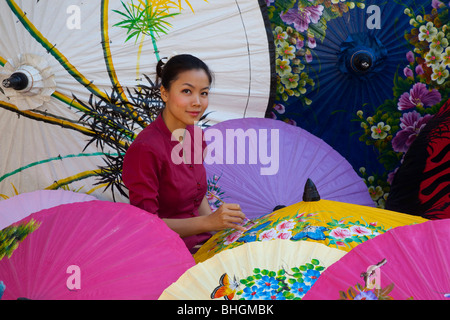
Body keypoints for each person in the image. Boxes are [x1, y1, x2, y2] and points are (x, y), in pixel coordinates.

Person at [122, 54, 246, 253]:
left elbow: (199, 196)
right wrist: (208, 223)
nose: (197, 102)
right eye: (187, 91)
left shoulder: (196, 136)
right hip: (165, 252)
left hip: (202, 245)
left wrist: (219, 233)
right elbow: (146, 225)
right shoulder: (145, 149)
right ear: (164, 93)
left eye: (204, 93)